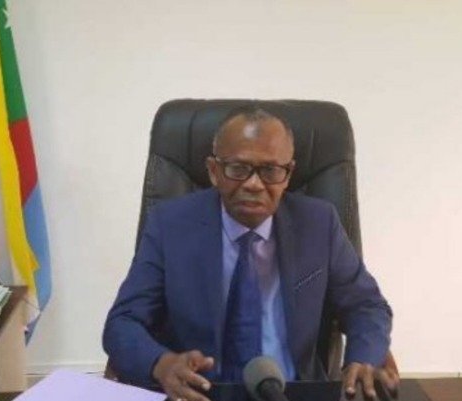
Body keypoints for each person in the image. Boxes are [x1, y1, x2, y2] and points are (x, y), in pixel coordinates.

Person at [103, 107, 395, 401]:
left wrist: (364, 357)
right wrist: (161, 364)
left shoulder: (319, 223)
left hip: (294, 391)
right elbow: (122, 322)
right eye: (238, 168)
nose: (254, 184)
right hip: (199, 393)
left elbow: (366, 305)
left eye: (270, 171)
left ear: (288, 174)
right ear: (214, 171)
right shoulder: (171, 225)